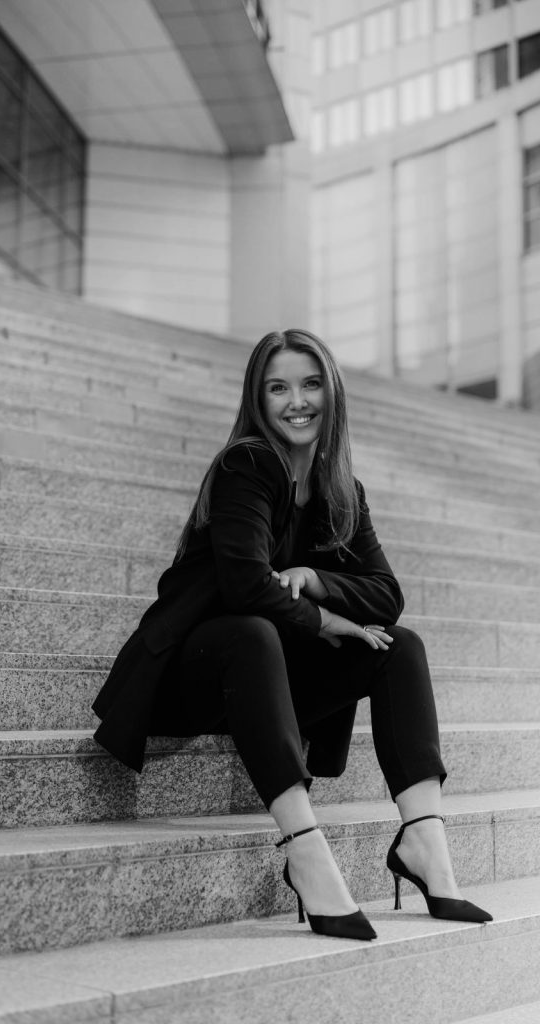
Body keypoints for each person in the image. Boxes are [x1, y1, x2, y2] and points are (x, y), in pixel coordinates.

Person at [92, 328, 492, 941]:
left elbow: (387, 595)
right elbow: (245, 586)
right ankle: (304, 851)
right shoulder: (246, 465)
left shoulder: (340, 491)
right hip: (193, 675)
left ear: (332, 394)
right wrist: (326, 620)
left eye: (310, 385)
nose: (297, 401)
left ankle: (424, 842)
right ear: (258, 399)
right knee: (252, 631)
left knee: (401, 646)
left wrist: (316, 579)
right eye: (278, 388)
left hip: (268, 684)